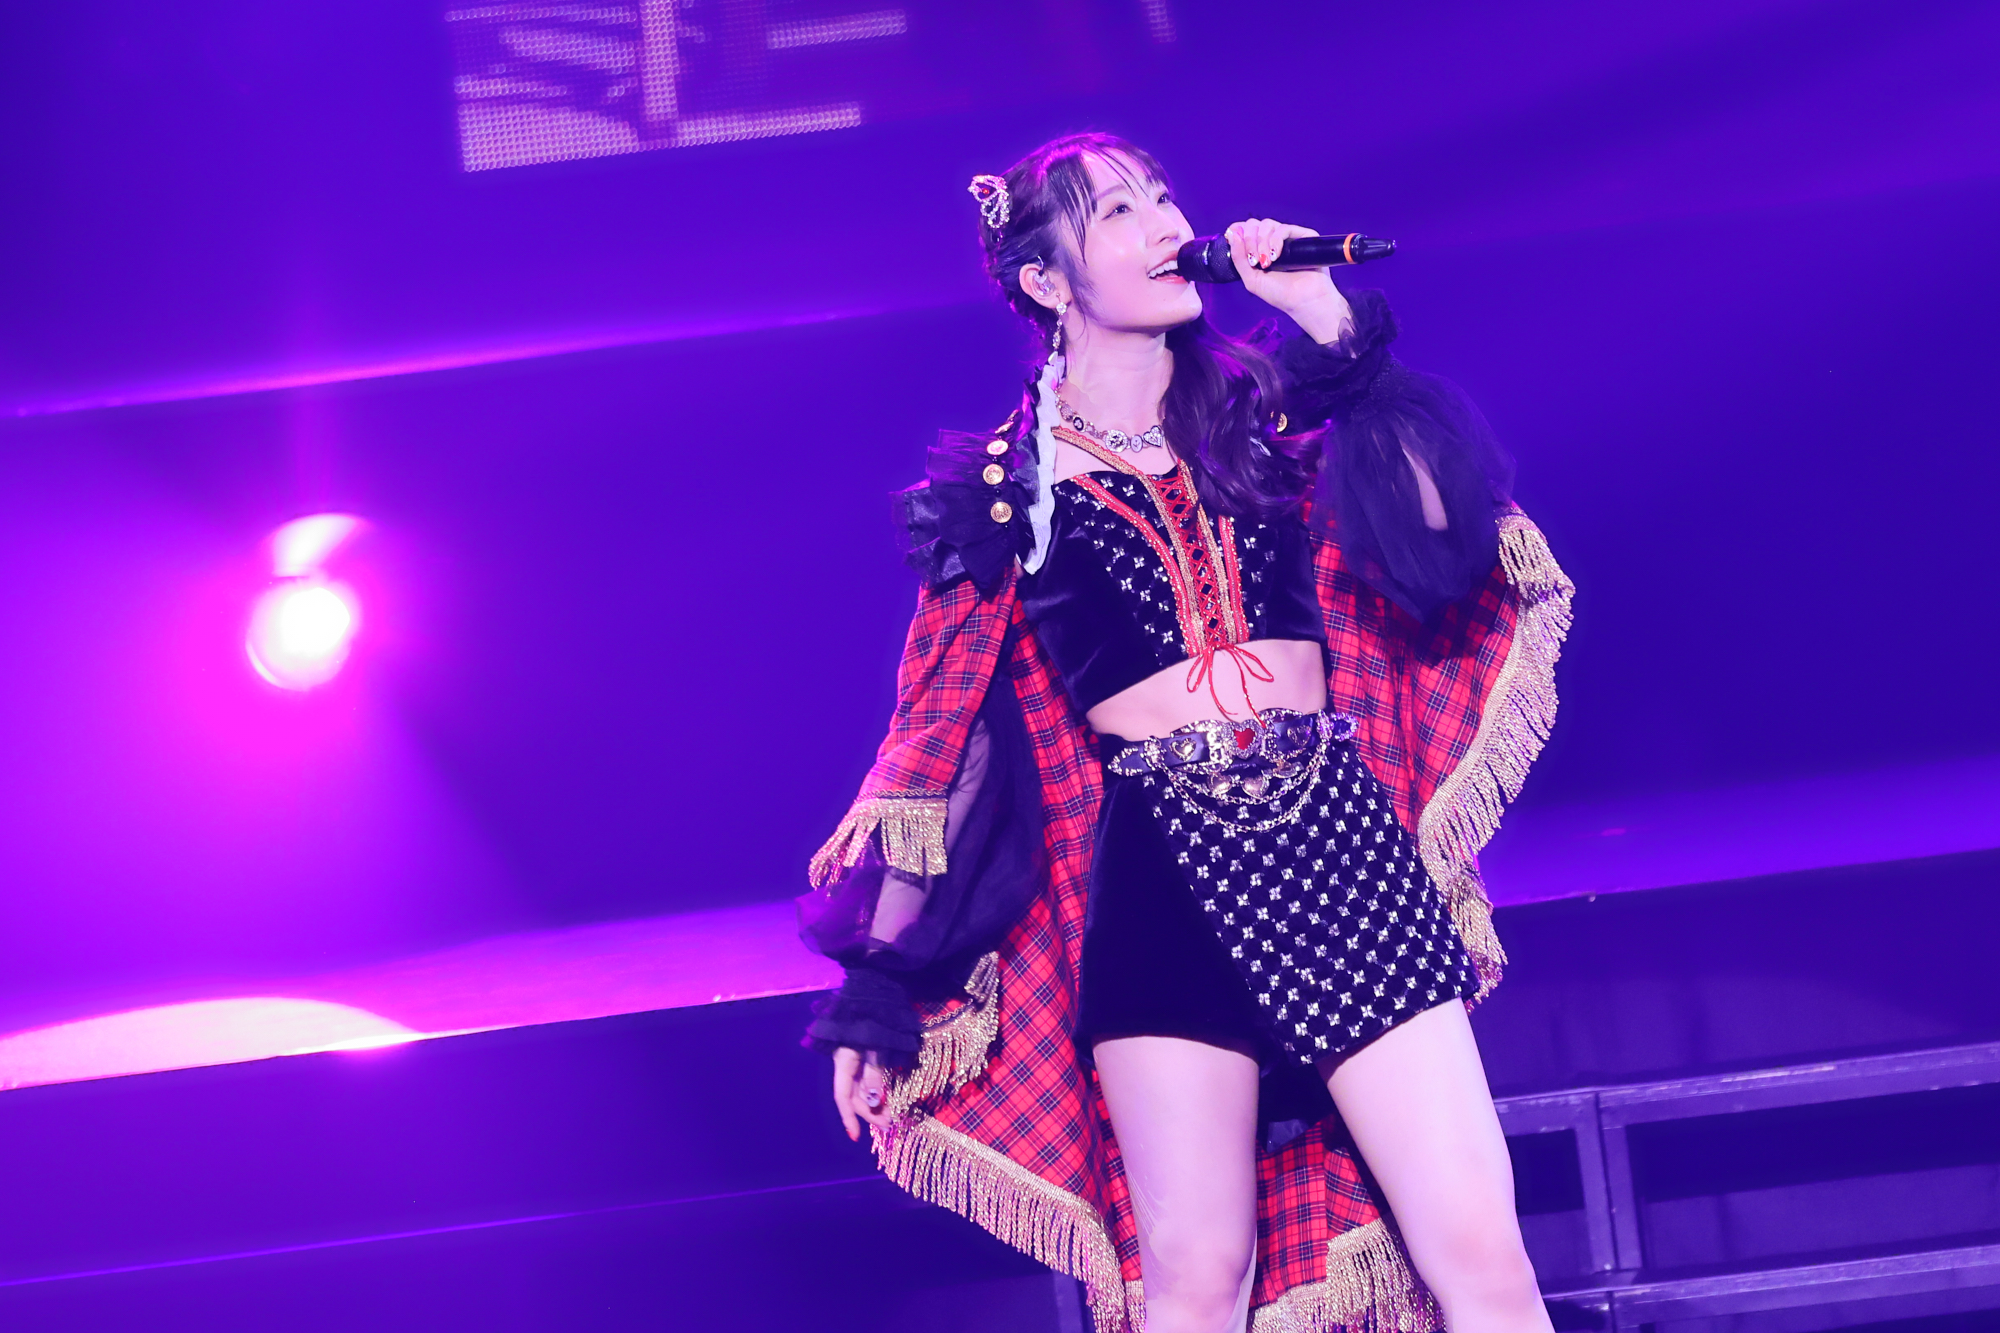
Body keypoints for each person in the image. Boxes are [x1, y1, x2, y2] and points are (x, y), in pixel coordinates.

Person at [797, 131, 1574, 1333]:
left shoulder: (1262, 417)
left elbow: (1439, 529)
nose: (1166, 225)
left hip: (1331, 841)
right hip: (1162, 867)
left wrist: (1326, 326)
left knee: (1480, 1251)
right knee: (1200, 1276)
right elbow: (943, 740)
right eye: (1118, 212)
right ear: (1046, 280)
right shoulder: (1006, 490)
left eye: (1161, 198)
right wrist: (880, 983)